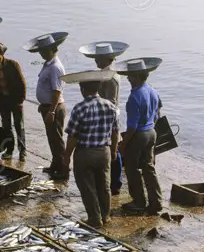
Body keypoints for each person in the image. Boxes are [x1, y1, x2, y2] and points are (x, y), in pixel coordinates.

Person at [61, 70, 119, 228]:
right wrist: (114, 151)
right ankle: (105, 216)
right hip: (104, 151)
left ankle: (94, 218)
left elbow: (72, 136)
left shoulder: (80, 108)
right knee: (104, 185)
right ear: (99, 88)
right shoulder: (111, 106)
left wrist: (66, 157)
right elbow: (115, 131)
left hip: (85, 153)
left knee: (87, 187)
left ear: (82, 89)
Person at [79, 40, 129, 195]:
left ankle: (116, 182)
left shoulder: (111, 77)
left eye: (99, 58)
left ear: (108, 59)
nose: (96, 60)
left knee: (113, 149)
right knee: (110, 148)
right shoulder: (106, 74)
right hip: (106, 114)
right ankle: (112, 180)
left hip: (108, 117)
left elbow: (112, 103)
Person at [115, 57, 163, 215]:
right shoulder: (152, 90)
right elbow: (158, 111)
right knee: (149, 167)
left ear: (137, 76)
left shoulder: (134, 97)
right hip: (151, 132)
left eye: (130, 75)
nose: (128, 78)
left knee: (132, 169)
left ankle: (139, 201)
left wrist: (123, 144)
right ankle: (156, 201)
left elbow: (132, 127)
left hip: (140, 135)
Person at [26, 32, 68, 180]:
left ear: (52, 50)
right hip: (47, 106)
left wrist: (51, 111)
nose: (41, 54)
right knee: (52, 139)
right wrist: (43, 105)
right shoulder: (47, 64)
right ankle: (55, 165)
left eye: (43, 51)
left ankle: (64, 169)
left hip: (54, 108)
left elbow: (57, 91)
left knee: (57, 139)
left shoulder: (55, 67)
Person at [0, 42, 27, 160]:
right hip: (3, 101)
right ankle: (10, 150)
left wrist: (21, 100)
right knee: (6, 127)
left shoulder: (12, 64)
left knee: (19, 126)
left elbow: (21, 82)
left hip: (16, 100)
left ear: (1, 54)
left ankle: (22, 151)